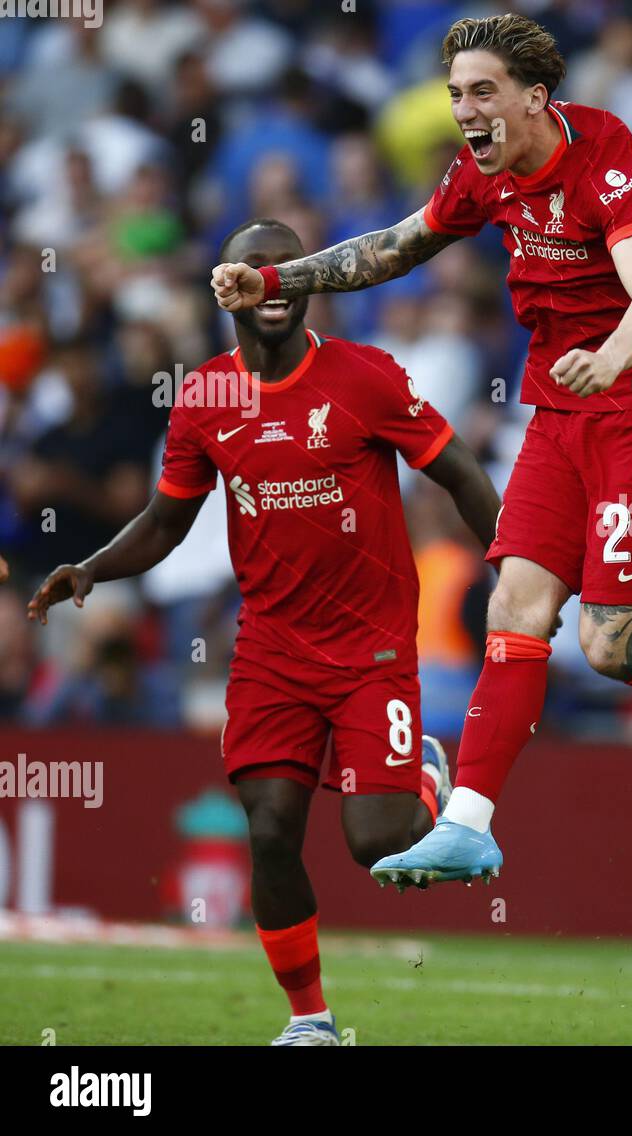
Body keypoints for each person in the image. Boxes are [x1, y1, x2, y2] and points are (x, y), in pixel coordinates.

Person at [209, 14, 632, 889]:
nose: (465, 110)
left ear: (536, 97)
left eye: (482, 92)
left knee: (611, 648)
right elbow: (394, 249)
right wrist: (276, 280)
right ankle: (469, 823)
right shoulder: (482, 177)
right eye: (455, 95)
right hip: (560, 413)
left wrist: (608, 358)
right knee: (514, 610)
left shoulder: (607, 158)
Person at [29, 218, 501, 1046]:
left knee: (378, 846)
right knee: (270, 828)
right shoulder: (206, 397)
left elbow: (459, 473)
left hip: (372, 651)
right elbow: (166, 522)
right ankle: (310, 1020)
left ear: (313, 281)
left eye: (290, 269)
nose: (272, 282)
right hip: (273, 653)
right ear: (226, 285)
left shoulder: (367, 377)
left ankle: (424, 779)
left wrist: (515, 568)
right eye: (254, 267)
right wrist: (93, 568)